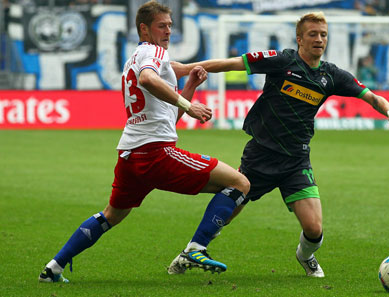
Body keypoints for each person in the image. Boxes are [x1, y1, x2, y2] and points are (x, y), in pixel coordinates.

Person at [168, 11, 389, 278]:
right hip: (261, 154)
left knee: (314, 228)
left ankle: (305, 256)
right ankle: (190, 251)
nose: (319, 39)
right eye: (313, 34)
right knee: (226, 212)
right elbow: (232, 63)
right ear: (300, 39)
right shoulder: (282, 61)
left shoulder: (331, 76)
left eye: (323, 35)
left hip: (296, 160)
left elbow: (371, 96)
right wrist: (186, 68)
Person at [38, 0, 249, 283]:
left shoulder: (135, 59)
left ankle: (54, 267)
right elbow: (149, 80)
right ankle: (195, 249)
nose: (168, 31)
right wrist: (189, 105)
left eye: (170, 26)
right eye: (162, 26)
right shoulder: (153, 52)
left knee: (111, 215)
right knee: (240, 184)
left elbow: (166, 121)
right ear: (144, 29)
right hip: (155, 154)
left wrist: (190, 87)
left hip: (130, 154)